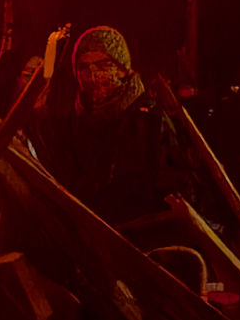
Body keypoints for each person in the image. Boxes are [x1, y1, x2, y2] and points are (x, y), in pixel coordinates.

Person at [30, 26, 180, 228]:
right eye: (83, 67)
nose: (92, 74)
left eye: (102, 65)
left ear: (122, 68)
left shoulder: (148, 120)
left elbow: (159, 187)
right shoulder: (74, 124)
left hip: (141, 236)